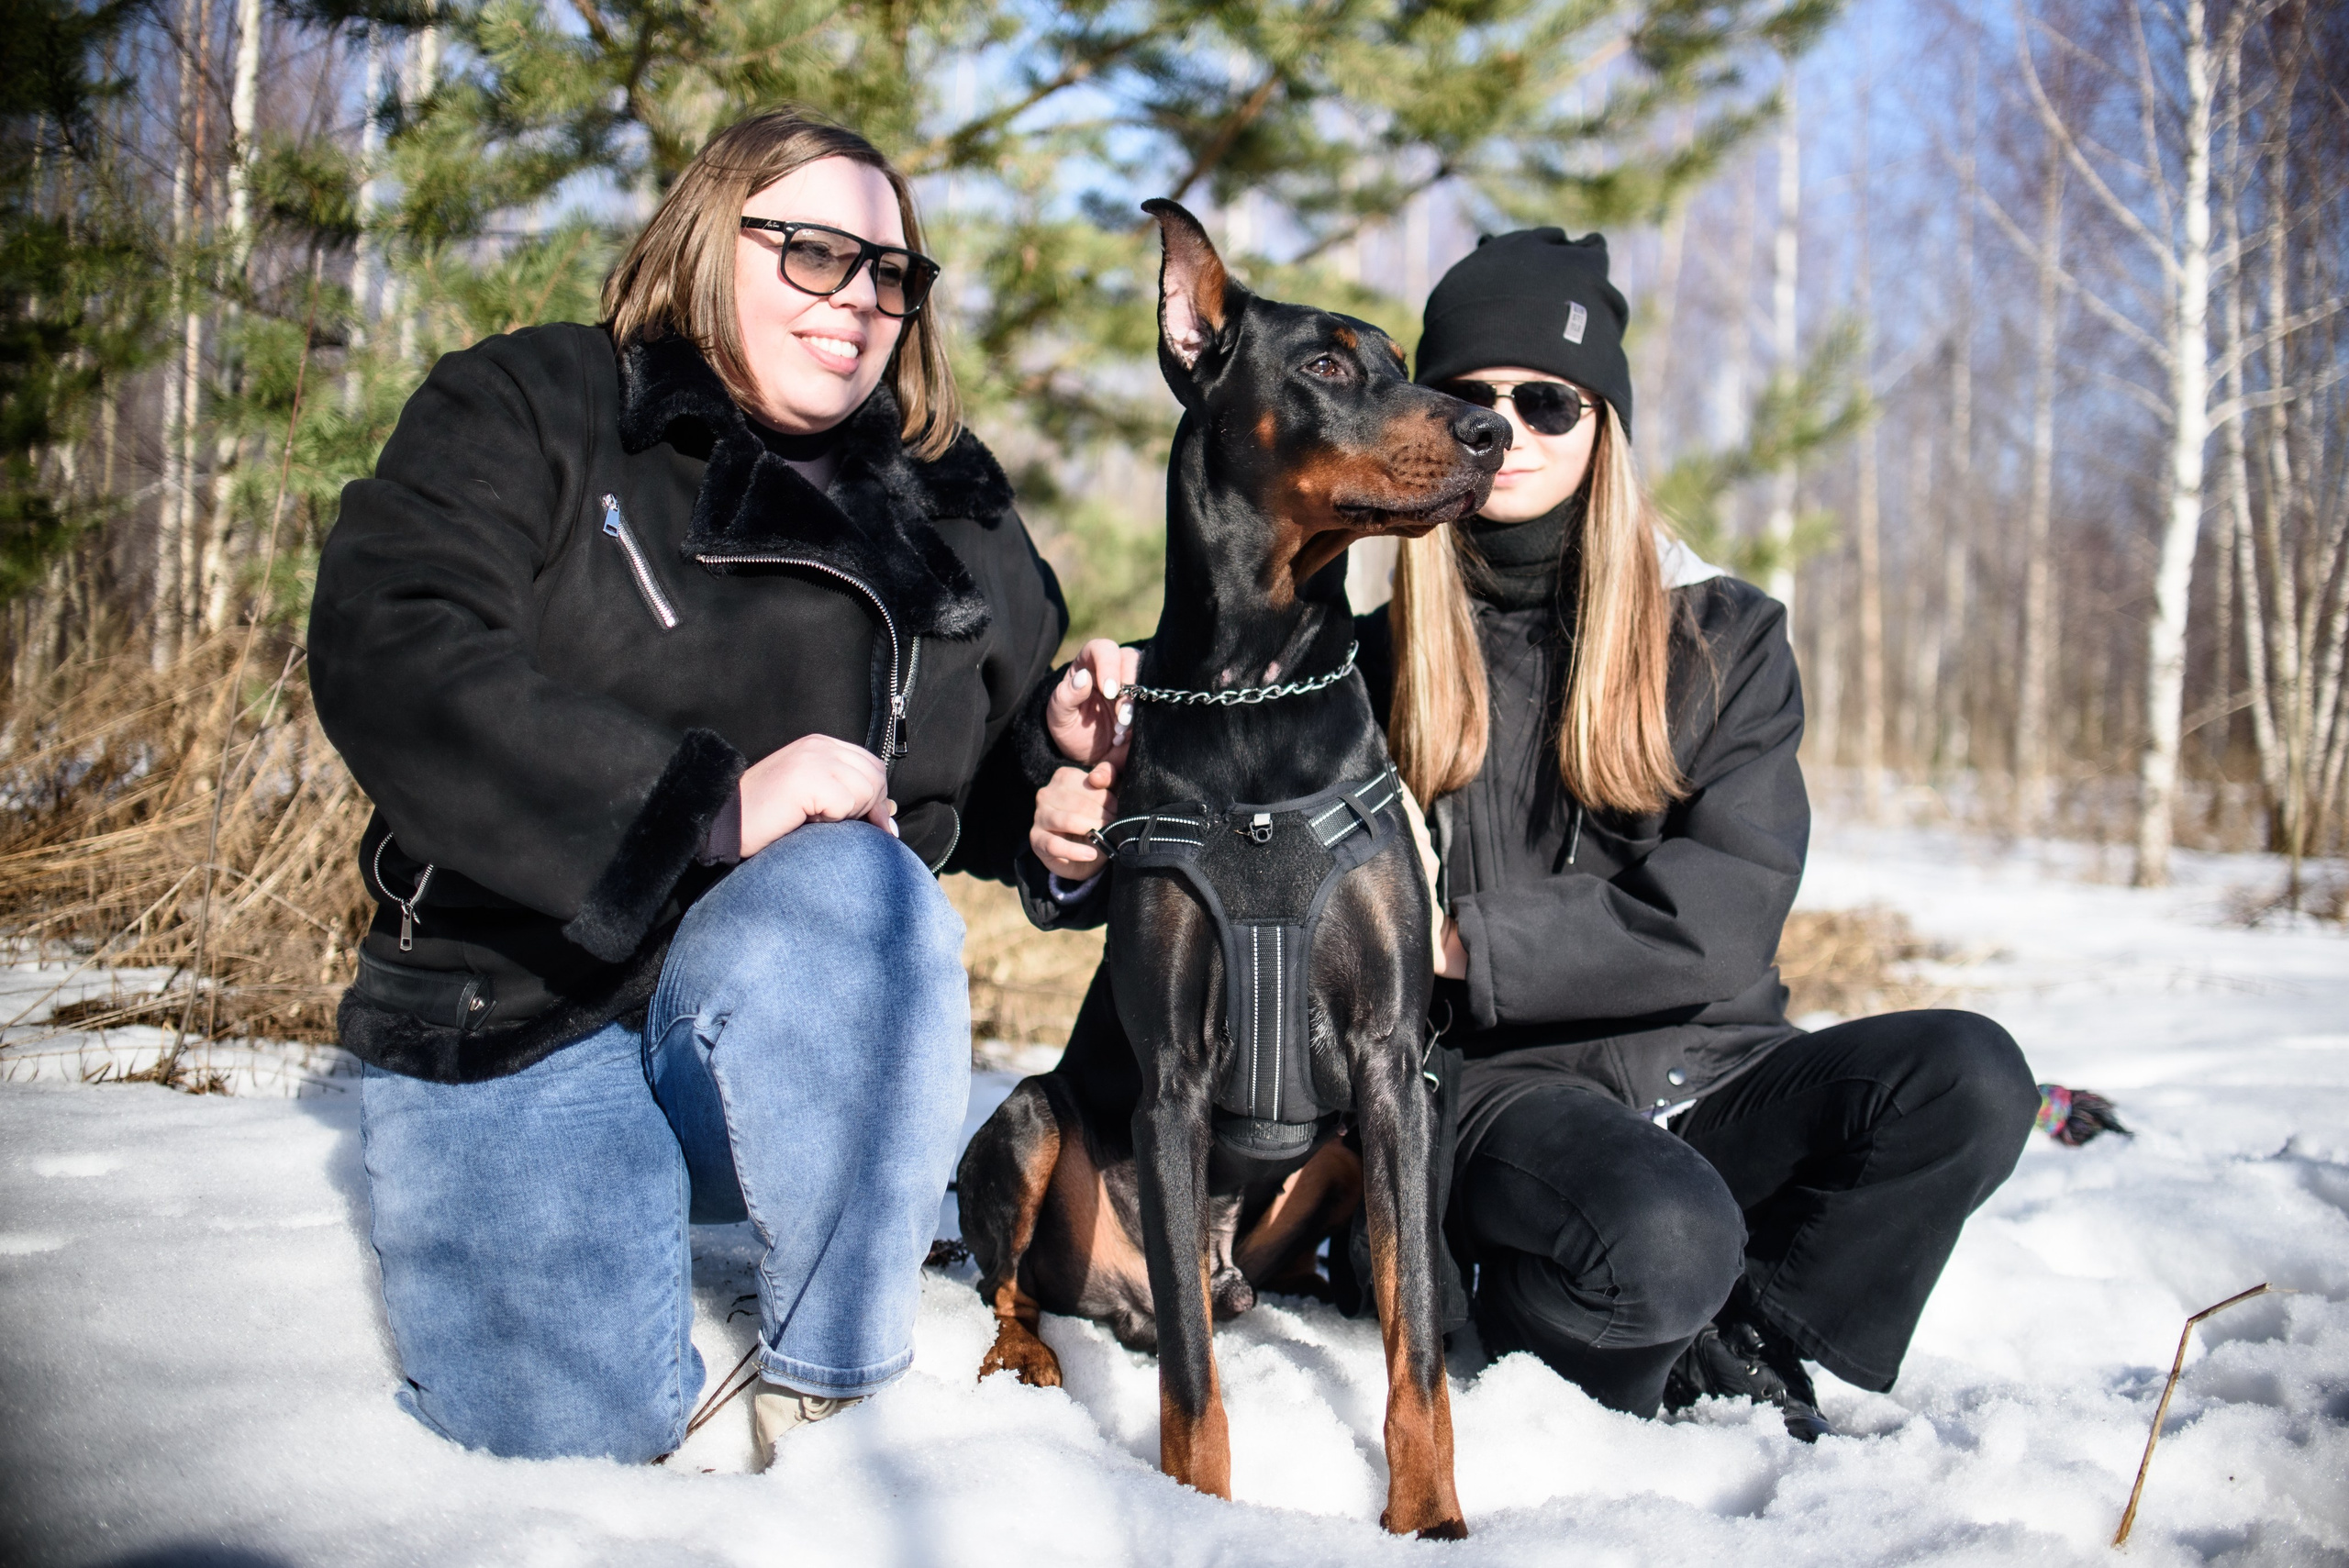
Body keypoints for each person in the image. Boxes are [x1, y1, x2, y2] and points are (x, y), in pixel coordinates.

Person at [1030, 228, 2038, 1438]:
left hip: (1712, 1064)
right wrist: (1076, 776)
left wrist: (1457, 939)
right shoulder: (1372, 662)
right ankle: (1548, 1306)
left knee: (1971, 1075)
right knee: (1669, 1232)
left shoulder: (1724, 636)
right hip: (1506, 1094)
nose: (1505, 427)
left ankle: (1747, 1330)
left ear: (1602, 423)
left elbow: (1727, 910)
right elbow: (1224, 775)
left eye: (1547, 401)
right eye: (1469, 398)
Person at [309, 107, 1126, 1469]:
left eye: (888, 273)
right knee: (569, 1441)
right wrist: (705, 803)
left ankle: (833, 1400)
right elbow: (392, 643)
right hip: (511, 1014)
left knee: (865, 888)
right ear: (706, 235)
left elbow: (996, 763)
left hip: (773, 1060)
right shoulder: (540, 403)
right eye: (813, 251)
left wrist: (1055, 792)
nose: (859, 298)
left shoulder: (949, 506)